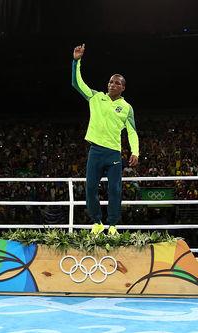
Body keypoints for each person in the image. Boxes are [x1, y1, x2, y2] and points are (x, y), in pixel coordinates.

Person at [72, 44, 139, 236]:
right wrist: (76, 61)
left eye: (117, 83)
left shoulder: (127, 107)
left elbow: (132, 132)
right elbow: (77, 83)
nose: (113, 85)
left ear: (123, 87)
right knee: (91, 188)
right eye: (111, 82)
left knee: (115, 190)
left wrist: (135, 151)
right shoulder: (95, 97)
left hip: (113, 154)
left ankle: (112, 225)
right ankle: (97, 222)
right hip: (95, 151)